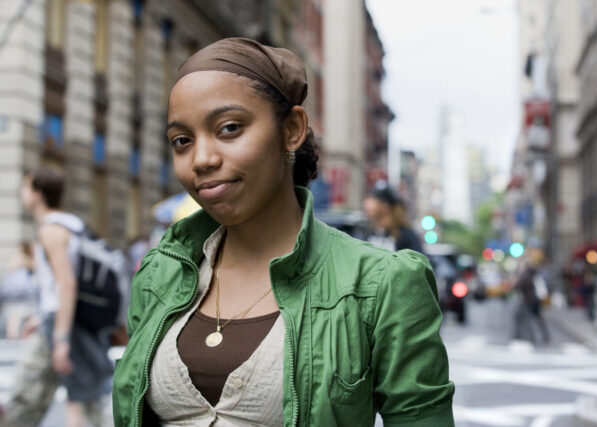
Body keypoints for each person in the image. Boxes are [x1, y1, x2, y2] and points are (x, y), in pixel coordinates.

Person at [112, 37, 454, 426]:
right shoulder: (160, 273)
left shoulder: (382, 283)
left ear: (292, 129)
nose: (201, 159)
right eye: (182, 141)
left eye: (228, 128)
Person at [2, 167, 114, 427]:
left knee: (27, 398)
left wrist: (60, 338)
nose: (22, 193)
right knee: (87, 396)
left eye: (26, 187)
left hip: (62, 324)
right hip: (66, 321)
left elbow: (66, 284)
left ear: (38, 194)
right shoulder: (72, 224)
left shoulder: (51, 230)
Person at [363, 185, 424, 253]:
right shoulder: (369, 231)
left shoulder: (406, 235)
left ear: (386, 207)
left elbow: (418, 260)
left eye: (372, 200)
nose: (366, 204)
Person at [0, 242, 38, 339]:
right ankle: (14, 338)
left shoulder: (22, 258)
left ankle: (15, 338)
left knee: (17, 318)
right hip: (20, 293)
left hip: (20, 294)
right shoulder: (24, 258)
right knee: (16, 318)